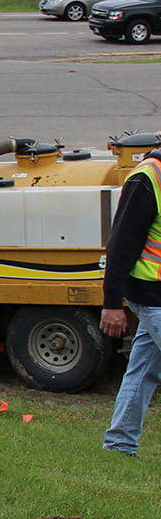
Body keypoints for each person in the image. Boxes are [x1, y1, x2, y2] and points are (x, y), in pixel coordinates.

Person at [101, 149, 161, 456]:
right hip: (152, 296)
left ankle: (119, 443)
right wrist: (112, 303)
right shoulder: (148, 178)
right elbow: (120, 245)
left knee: (144, 370)